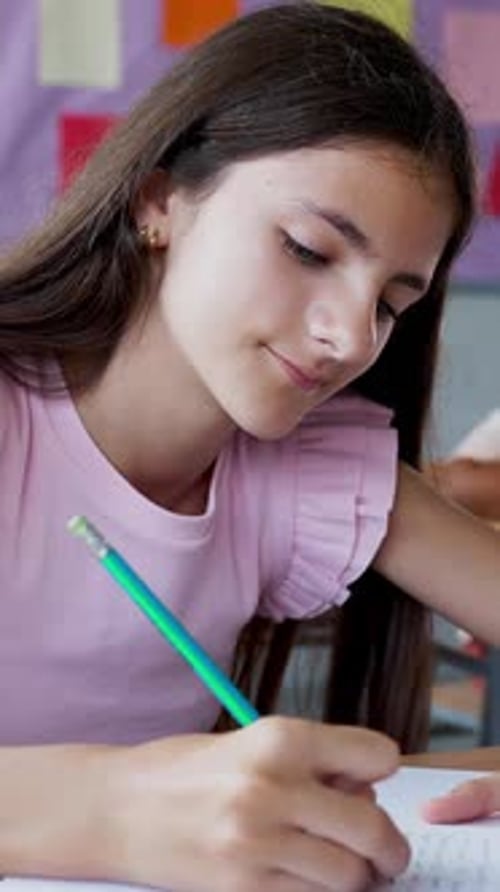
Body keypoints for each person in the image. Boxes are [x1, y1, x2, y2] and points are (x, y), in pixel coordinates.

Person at [1, 3, 499, 890]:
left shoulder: (311, 467)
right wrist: (116, 811)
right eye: (308, 250)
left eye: (392, 303)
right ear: (159, 201)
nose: (352, 336)